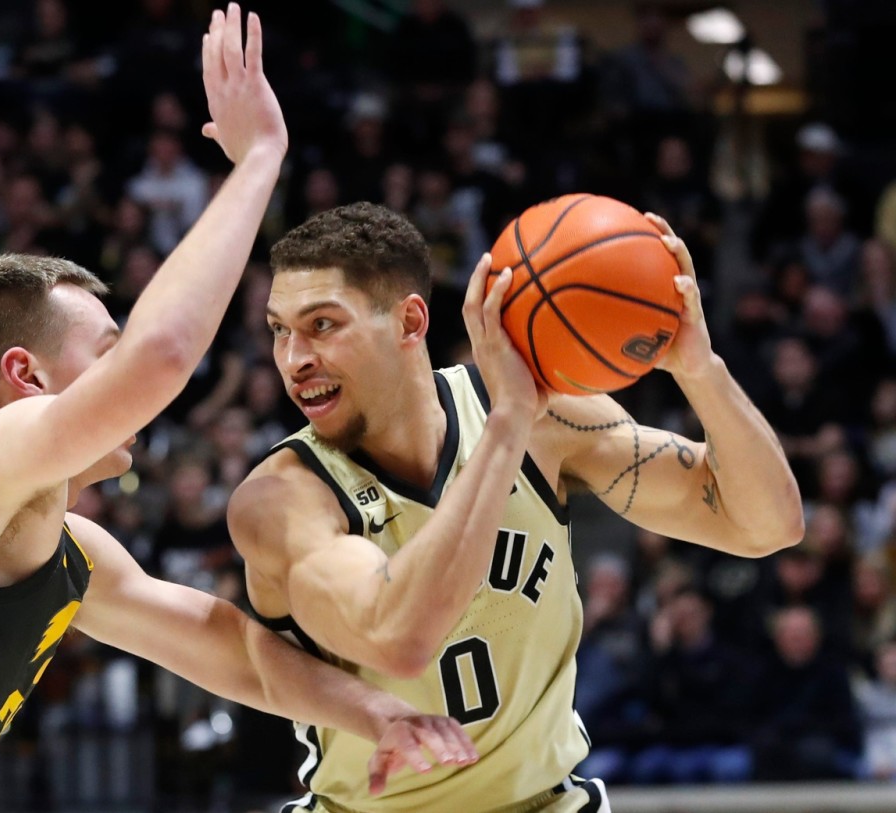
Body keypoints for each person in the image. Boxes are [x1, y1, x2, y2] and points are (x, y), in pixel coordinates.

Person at [0, 9, 479, 813]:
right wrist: (258, 162)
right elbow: (164, 357)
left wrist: (379, 712)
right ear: (25, 376)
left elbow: (240, 653)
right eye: (104, 349)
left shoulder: (64, 549)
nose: (123, 375)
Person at [227, 200, 804, 812]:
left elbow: (767, 524)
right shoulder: (283, 498)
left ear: (410, 322)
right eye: (279, 330)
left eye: (322, 325)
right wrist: (507, 426)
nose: (294, 359)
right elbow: (397, 638)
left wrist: (699, 369)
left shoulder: (545, 420)